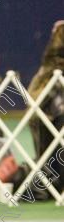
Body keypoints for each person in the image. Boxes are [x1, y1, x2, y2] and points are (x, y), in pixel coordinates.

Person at [28, 21, 64, 189]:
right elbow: (52, 65)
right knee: (55, 111)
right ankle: (51, 175)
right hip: (54, 92)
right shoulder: (61, 31)